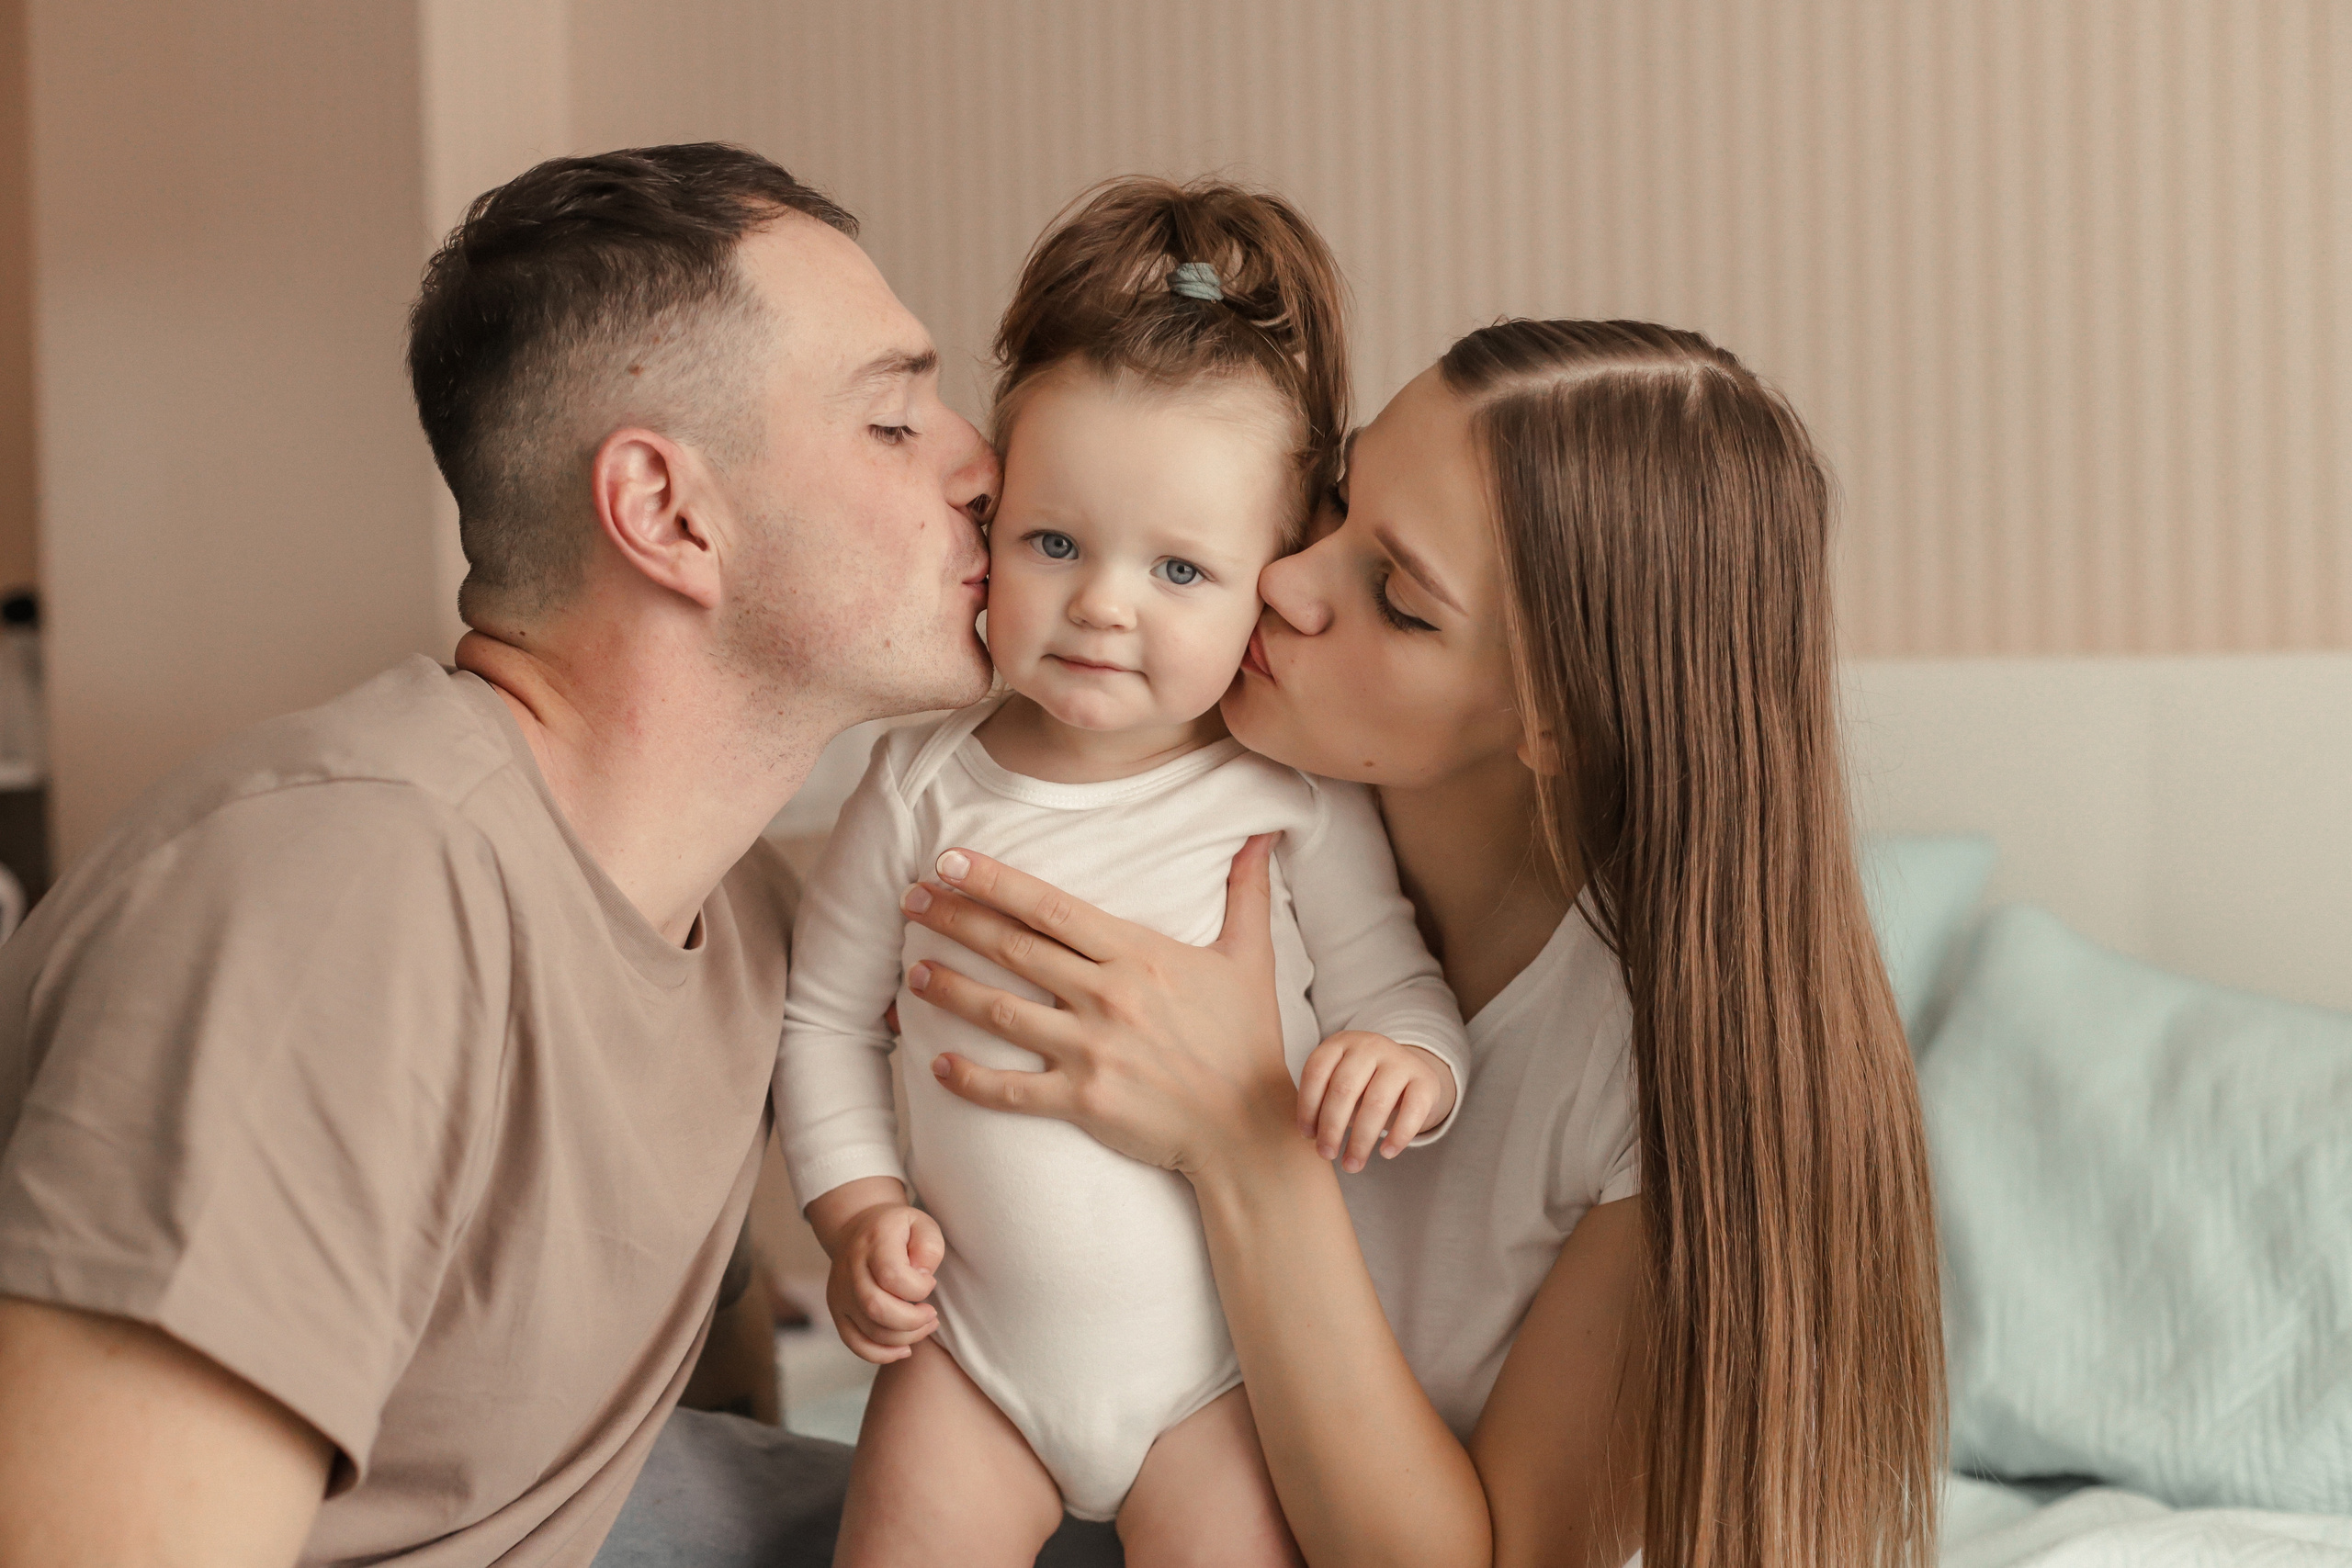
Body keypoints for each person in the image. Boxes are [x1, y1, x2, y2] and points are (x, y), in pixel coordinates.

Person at [0, 143, 997, 1566]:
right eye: (894, 422)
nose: (985, 469)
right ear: (668, 513)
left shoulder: (743, 914)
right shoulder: (340, 899)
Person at [889, 320, 1947, 1567]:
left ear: (1557, 718)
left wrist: (1244, 1144)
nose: (1286, 580)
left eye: (1396, 599)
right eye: (1336, 501)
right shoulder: (1182, 782)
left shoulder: (1672, 1086)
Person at [777, 178, 1468, 1567]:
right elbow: (823, 1021)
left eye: (1180, 571)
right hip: (971, 1360)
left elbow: (1397, 988)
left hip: (1216, 1384)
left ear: (1273, 579)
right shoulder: (915, 783)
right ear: (992, 530)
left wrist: (1407, 1064)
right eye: (1054, 544)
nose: (1102, 603)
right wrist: (856, 1211)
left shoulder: (1288, 798)